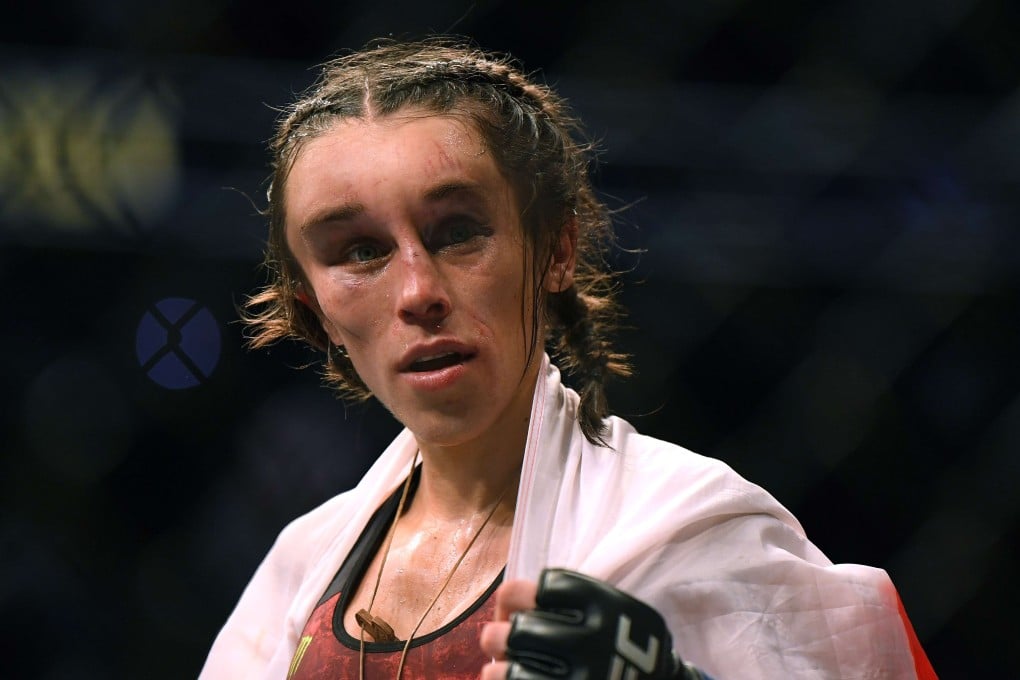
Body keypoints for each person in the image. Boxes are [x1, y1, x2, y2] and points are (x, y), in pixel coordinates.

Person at [200, 39, 936, 679]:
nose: (419, 291)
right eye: (360, 251)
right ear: (312, 309)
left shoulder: (684, 528)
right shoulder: (301, 569)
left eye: (458, 231)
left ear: (555, 249)